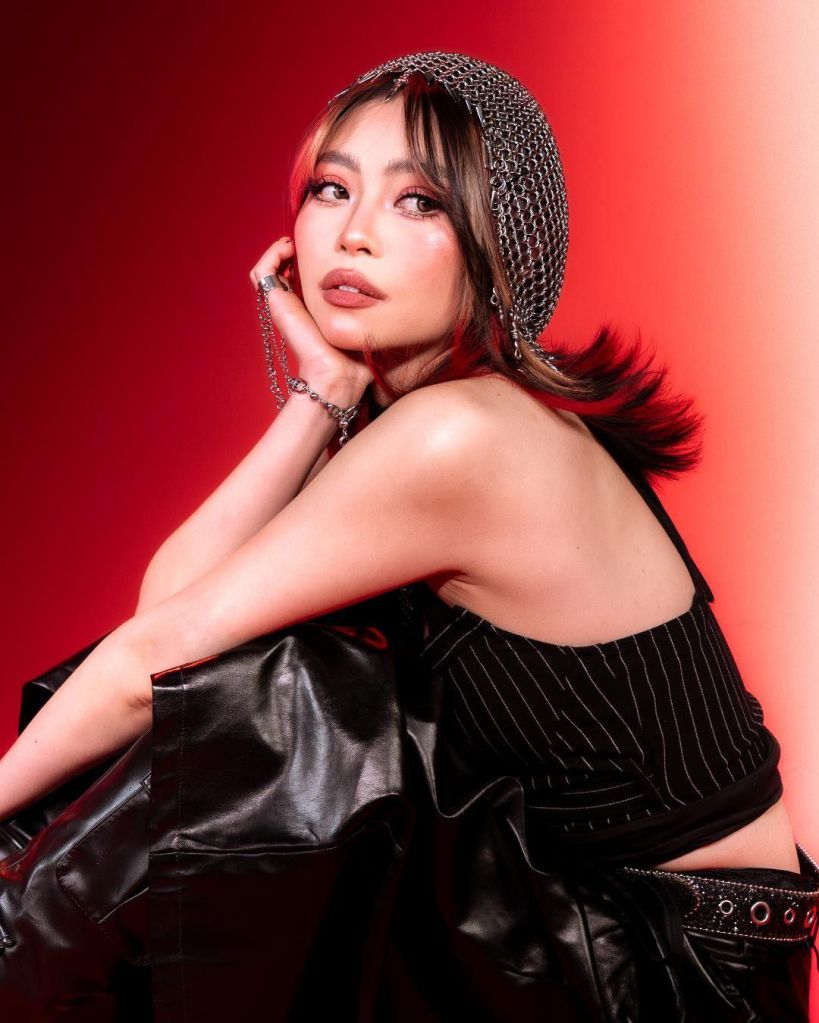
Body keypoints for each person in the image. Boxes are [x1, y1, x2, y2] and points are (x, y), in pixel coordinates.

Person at [1, 49, 817, 1021]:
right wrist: (323, 393)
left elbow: (162, 658)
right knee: (251, 695)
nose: (353, 233)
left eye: (417, 202)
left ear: (499, 249)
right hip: (574, 921)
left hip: (681, 974)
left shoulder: (465, 436)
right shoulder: (417, 424)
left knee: (296, 695)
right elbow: (173, 625)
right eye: (331, 189)